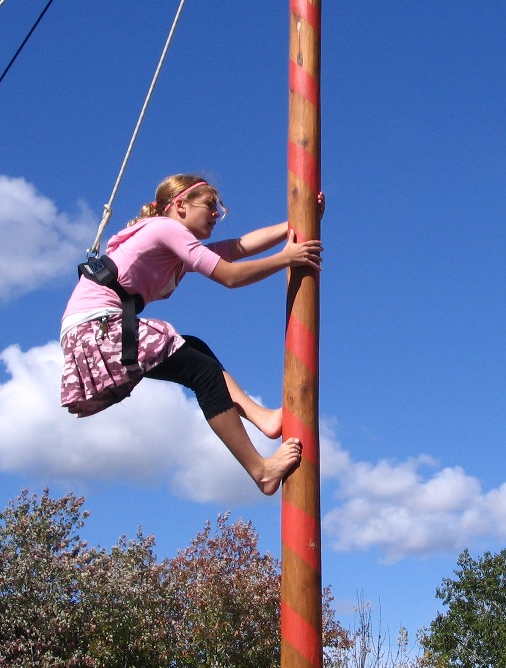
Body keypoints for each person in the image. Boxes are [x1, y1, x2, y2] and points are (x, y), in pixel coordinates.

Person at [60, 174, 323, 495]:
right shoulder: (165, 228)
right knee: (202, 373)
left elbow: (236, 248)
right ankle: (261, 470)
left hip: (92, 327)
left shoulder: (168, 245)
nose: (216, 213)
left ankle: (263, 418)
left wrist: (296, 222)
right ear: (180, 205)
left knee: (194, 350)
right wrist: (285, 258)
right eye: (210, 205)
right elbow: (229, 276)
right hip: (97, 325)